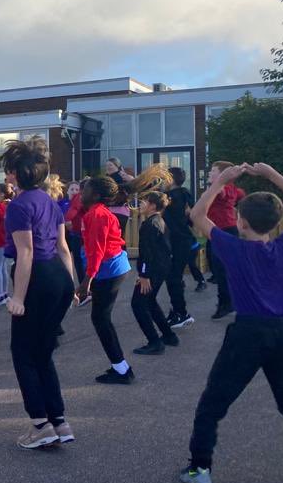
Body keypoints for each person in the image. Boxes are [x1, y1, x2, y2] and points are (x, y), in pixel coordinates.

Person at [181, 162, 283, 483]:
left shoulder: (232, 247)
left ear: (241, 221)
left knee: (213, 402)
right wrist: (272, 175)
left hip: (247, 334)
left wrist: (221, 180)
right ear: (277, 222)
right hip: (282, 331)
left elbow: (197, 215)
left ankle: (200, 468)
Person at [0, 138, 78, 449]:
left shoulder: (18, 206)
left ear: (16, 174)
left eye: (8, 172)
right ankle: (59, 421)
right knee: (43, 353)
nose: (6, 176)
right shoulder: (49, 201)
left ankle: (41, 424)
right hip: (59, 279)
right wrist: (71, 286)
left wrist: (17, 298)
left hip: (39, 279)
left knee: (23, 354)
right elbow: (64, 248)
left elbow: (27, 253)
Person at [77, 165, 171, 384]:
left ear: (97, 195)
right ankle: (120, 367)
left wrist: (86, 281)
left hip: (109, 270)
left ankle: (122, 369)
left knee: (100, 319)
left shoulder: (98, 215)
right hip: (111, 267)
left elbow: (97, 250)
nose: (82, 193)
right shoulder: (95, 213)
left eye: (86, 190)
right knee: (101, 319)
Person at [130, 191, 179, 355]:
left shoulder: (149, 225)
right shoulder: (159, 221)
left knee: (137, 304)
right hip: (161, 268)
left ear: (152, 205)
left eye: (144, 201)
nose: (141, 204)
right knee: (150, 301)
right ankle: (169, 336)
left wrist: (144, 275)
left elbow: (147, 253)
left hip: (153, 271)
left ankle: (154, 342)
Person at [204, 161, 246, 321]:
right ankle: (230, 302)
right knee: (222, 269)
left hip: (225, 231)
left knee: (221, 270)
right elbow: (241, 195)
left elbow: (221, 193)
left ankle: (227, 303)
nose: (209, 173)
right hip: (223, 231)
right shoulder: (233, 189)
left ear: (222, 174)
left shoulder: (223, 188)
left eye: (212, 171)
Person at [163, 168, 197, 329]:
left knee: (173, 278)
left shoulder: (171, 197)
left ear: (170, 179)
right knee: (174, 278)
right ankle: (177, 310)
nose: (161, 181)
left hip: (178, 242)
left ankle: (182, 314)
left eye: (164, 178)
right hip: (185, 240)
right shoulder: (184, 193)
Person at [63, 180, 86, 288]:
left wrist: (67, 220)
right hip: (67, 233)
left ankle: (83, 286)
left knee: (78, 260)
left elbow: (73, 211)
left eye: (77, 189)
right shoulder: (64, 202)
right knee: (69, 258)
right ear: (67, 191)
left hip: (76, 233)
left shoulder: (78, 199)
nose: (74, 191)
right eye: (72, 189)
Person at [104, 157, 134, 236]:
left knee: (117, 235)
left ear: (117, 166)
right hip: (109, 210)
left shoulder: (122, 177)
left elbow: (129, 189)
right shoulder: (106, 179)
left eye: (110, 165)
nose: (108, 167)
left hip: (119, 211)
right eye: (106, 165)